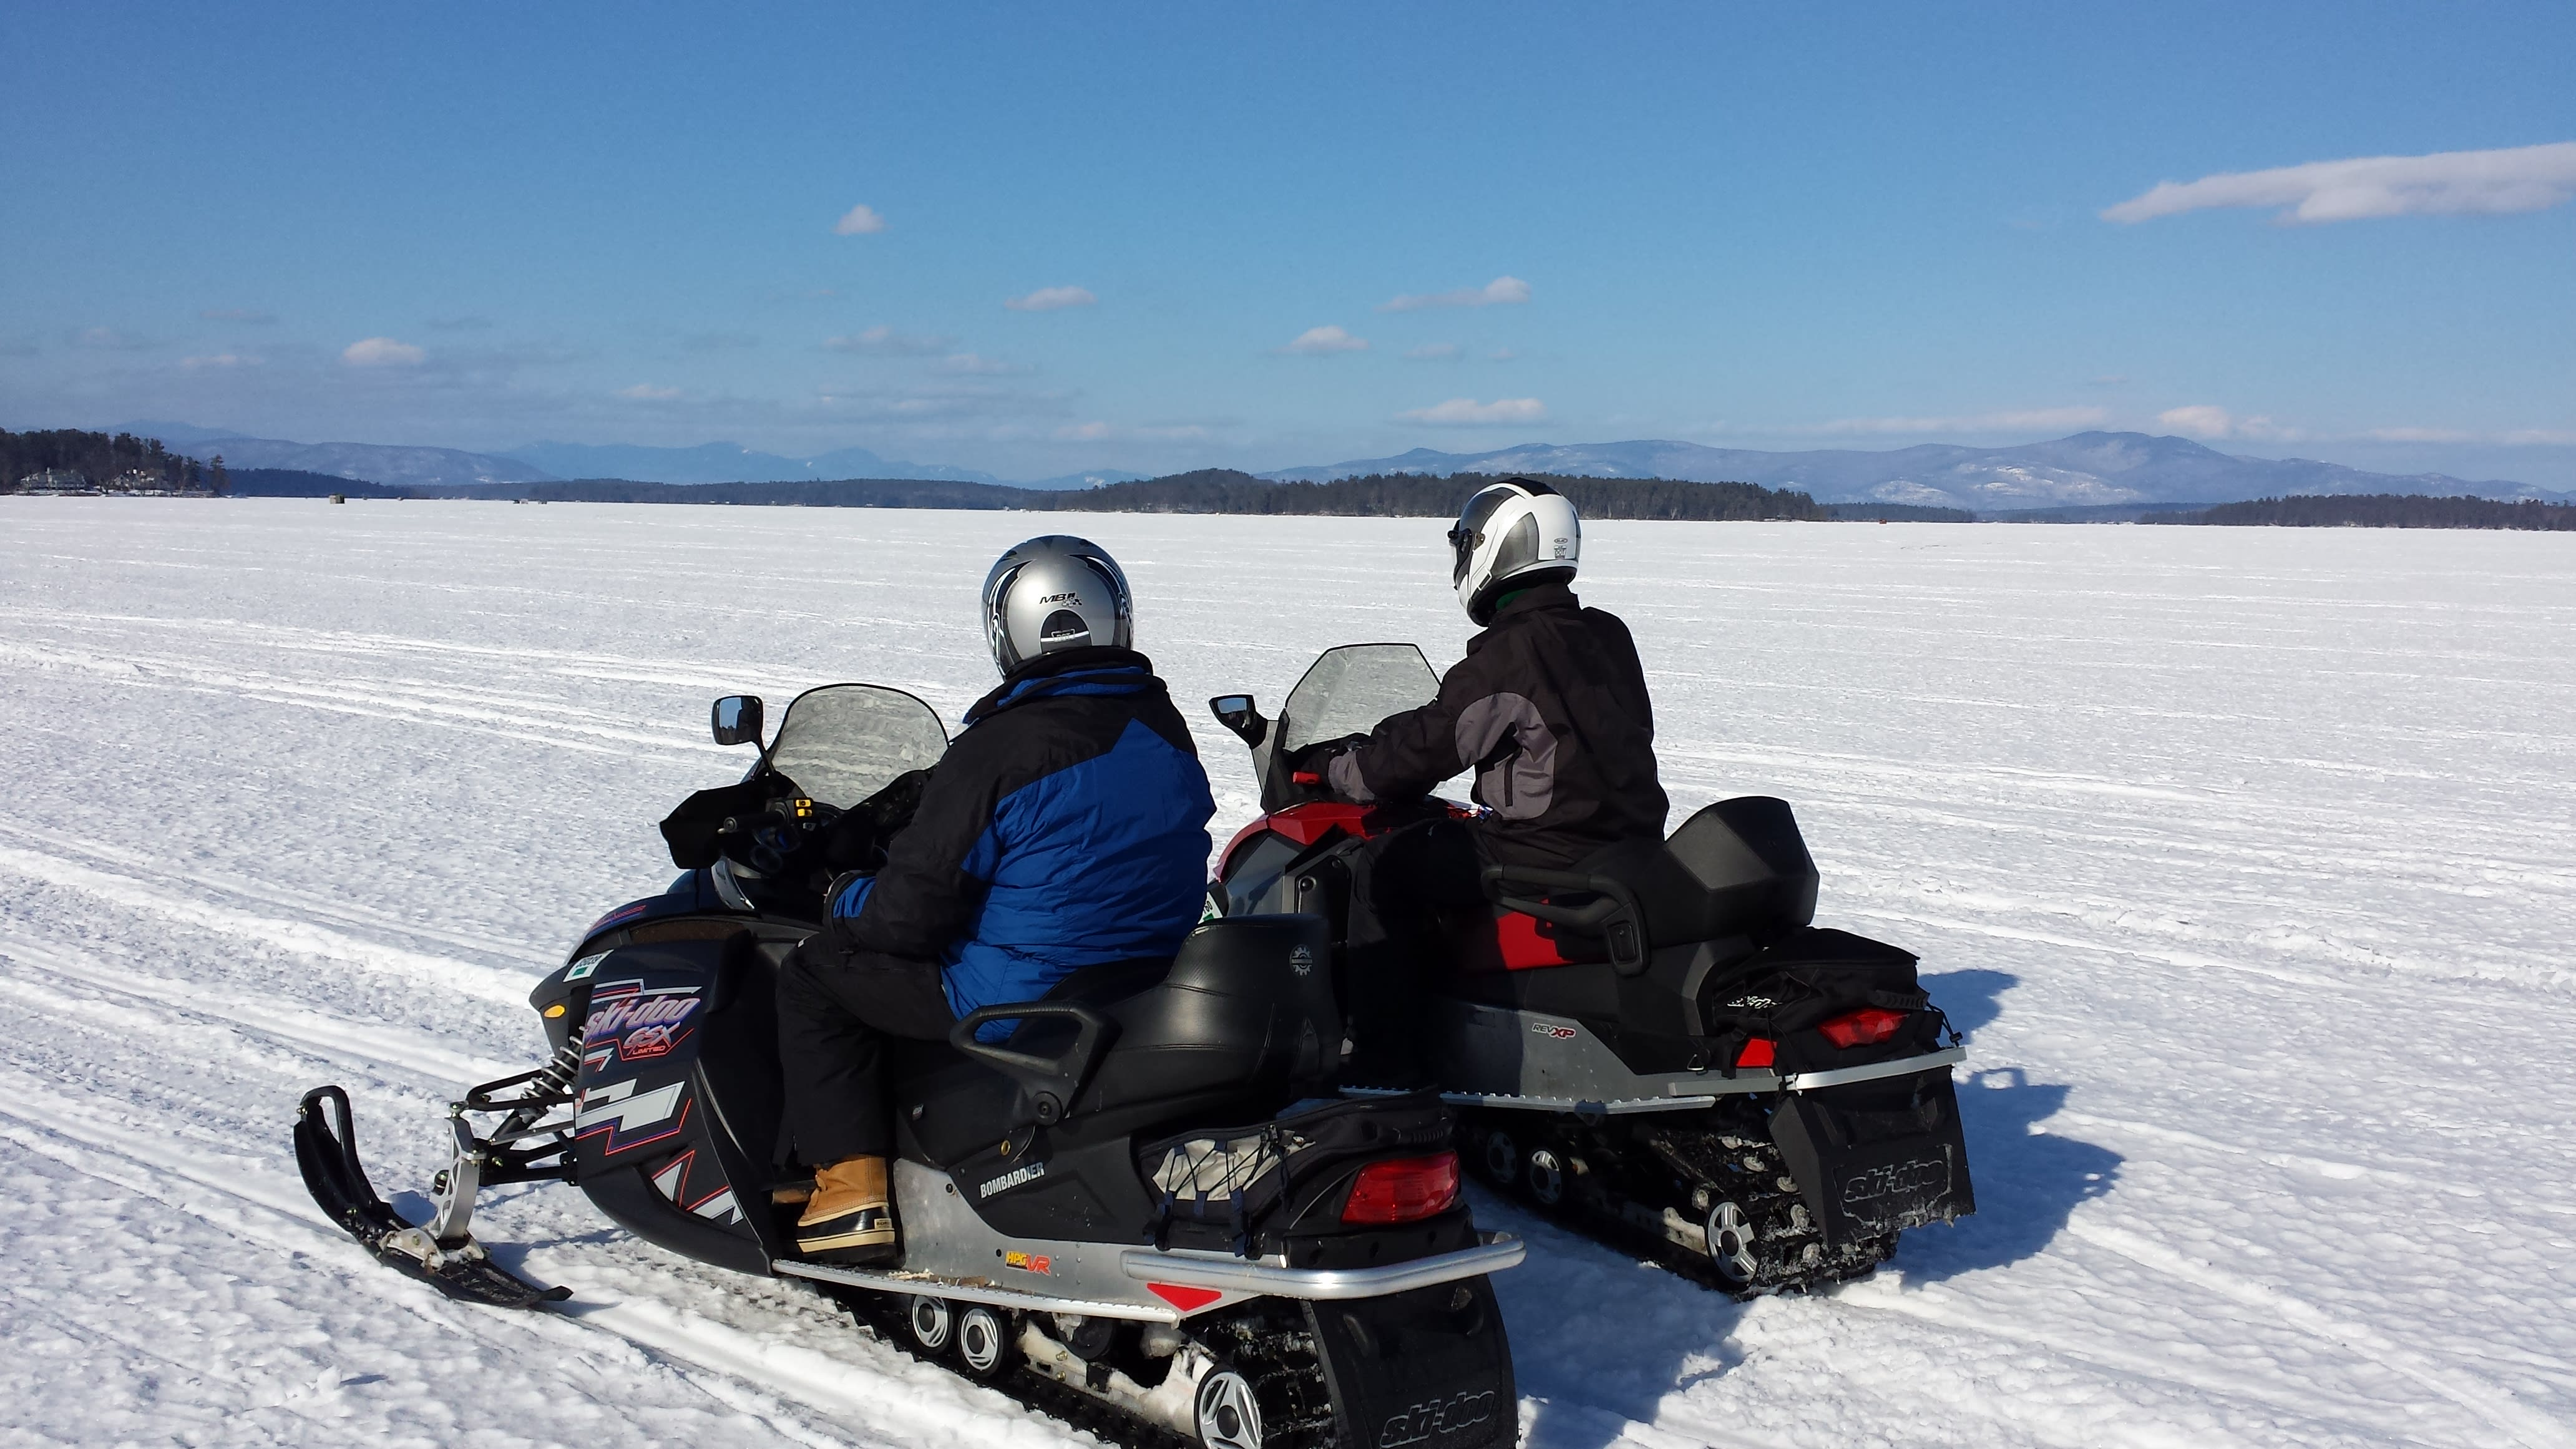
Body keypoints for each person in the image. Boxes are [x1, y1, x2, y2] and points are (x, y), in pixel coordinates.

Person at [777, 536, 1216, 1262]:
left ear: (1007, 631)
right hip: (1139, 985)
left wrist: (844, 898)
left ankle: (848, 1193)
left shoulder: (1000, 746)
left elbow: (907, 916)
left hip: (1015, 1000)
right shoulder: (1165, 730)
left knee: (814, 975)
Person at [1304, 478, 1669, 1081]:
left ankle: (1383, 1061)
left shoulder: (1510, 652)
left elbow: (1419, 754)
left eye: (1468, 542)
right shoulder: (1606, 633)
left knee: (1385, 868)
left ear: (1498, 548)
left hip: (1545, 850)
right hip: (1630, 845)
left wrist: (1338, 766)